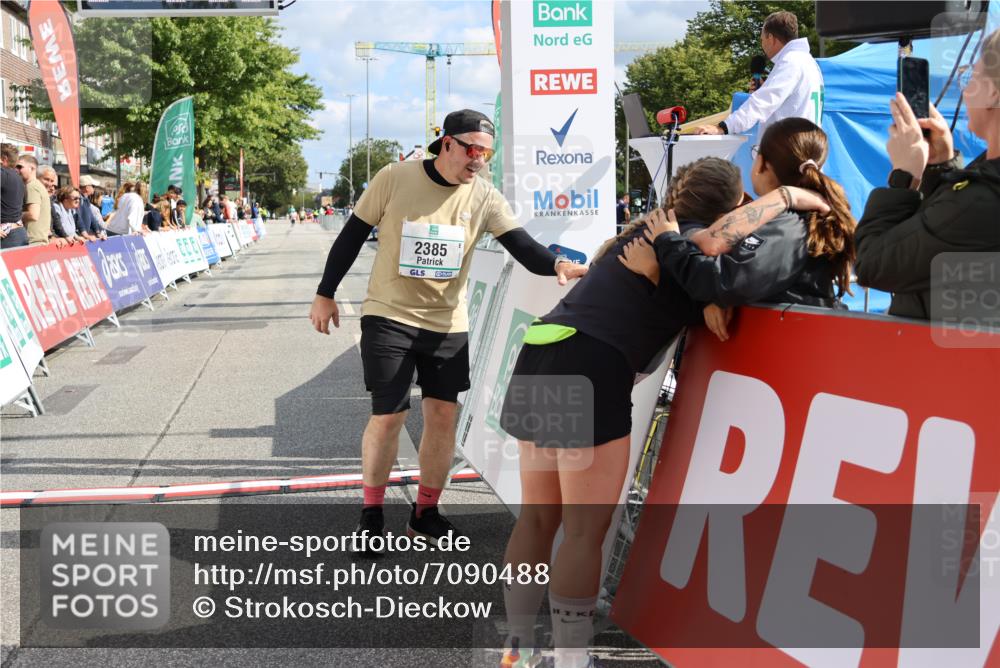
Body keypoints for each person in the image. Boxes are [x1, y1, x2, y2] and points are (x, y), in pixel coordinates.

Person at [498, 118, 855, 668]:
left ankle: (518, 647)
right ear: (730, 206)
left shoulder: (635, 233)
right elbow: (712, 255)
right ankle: (570, 659)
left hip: (543, 346)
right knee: (585, 531)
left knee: (538, 519)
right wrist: (782, 200)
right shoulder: (688, 243)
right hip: (590, 366)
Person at [308, 109, 588, 552]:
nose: (479, 160)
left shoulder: (485, 196)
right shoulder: (394, 177)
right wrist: (325, 293)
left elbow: (521, 245)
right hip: (389, 315)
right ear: (448, 143)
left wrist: (557, 265)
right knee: (390, 415)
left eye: (487, 153)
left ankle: (426, 513)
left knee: (442, 417)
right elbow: (352, 235)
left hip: (447, 324)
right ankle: (371, 514)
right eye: (473, 149)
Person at [854, 28, 1000, 320]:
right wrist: (942, 164)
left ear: (993, 91)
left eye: (971, 75)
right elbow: (944, 225)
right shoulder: (985, 187)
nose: (966, 88)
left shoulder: (983, 202)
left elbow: (872, 263)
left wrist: (903, 177)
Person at [697, 11, 824, 137]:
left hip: (789, 151)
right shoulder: (809, 62)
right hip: (805, 147)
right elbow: (794, 103)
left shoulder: (790, 62)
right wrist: (764, 88)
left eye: (762, 39)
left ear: (770, 38)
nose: (762, 45)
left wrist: (723, 127)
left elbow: (761, 103)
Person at [1, 143, 28, 249]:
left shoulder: (2, 174)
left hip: (6, 235)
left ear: (4, 158)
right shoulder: (18, 178)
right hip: (18, 232)